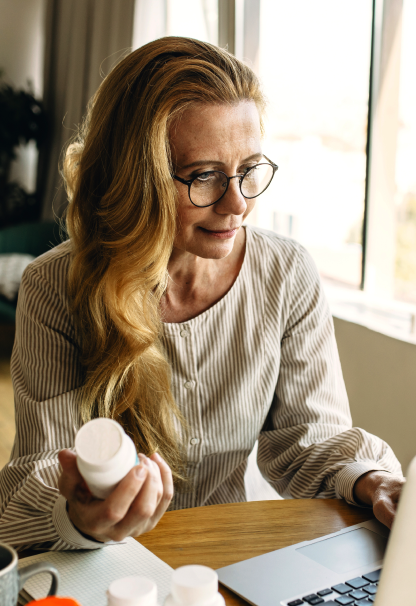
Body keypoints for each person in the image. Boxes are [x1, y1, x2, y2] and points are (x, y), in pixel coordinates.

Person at [0, 37, 404, 551]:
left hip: (241, 551)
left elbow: (310, 440)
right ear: (136, 178)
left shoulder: (287, 272)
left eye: (249, 170)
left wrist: (372, 479)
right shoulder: (55, 288)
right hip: (113, 562)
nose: (237, 203)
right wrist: (81, 516)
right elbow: (37, 475)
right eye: (204, 176)